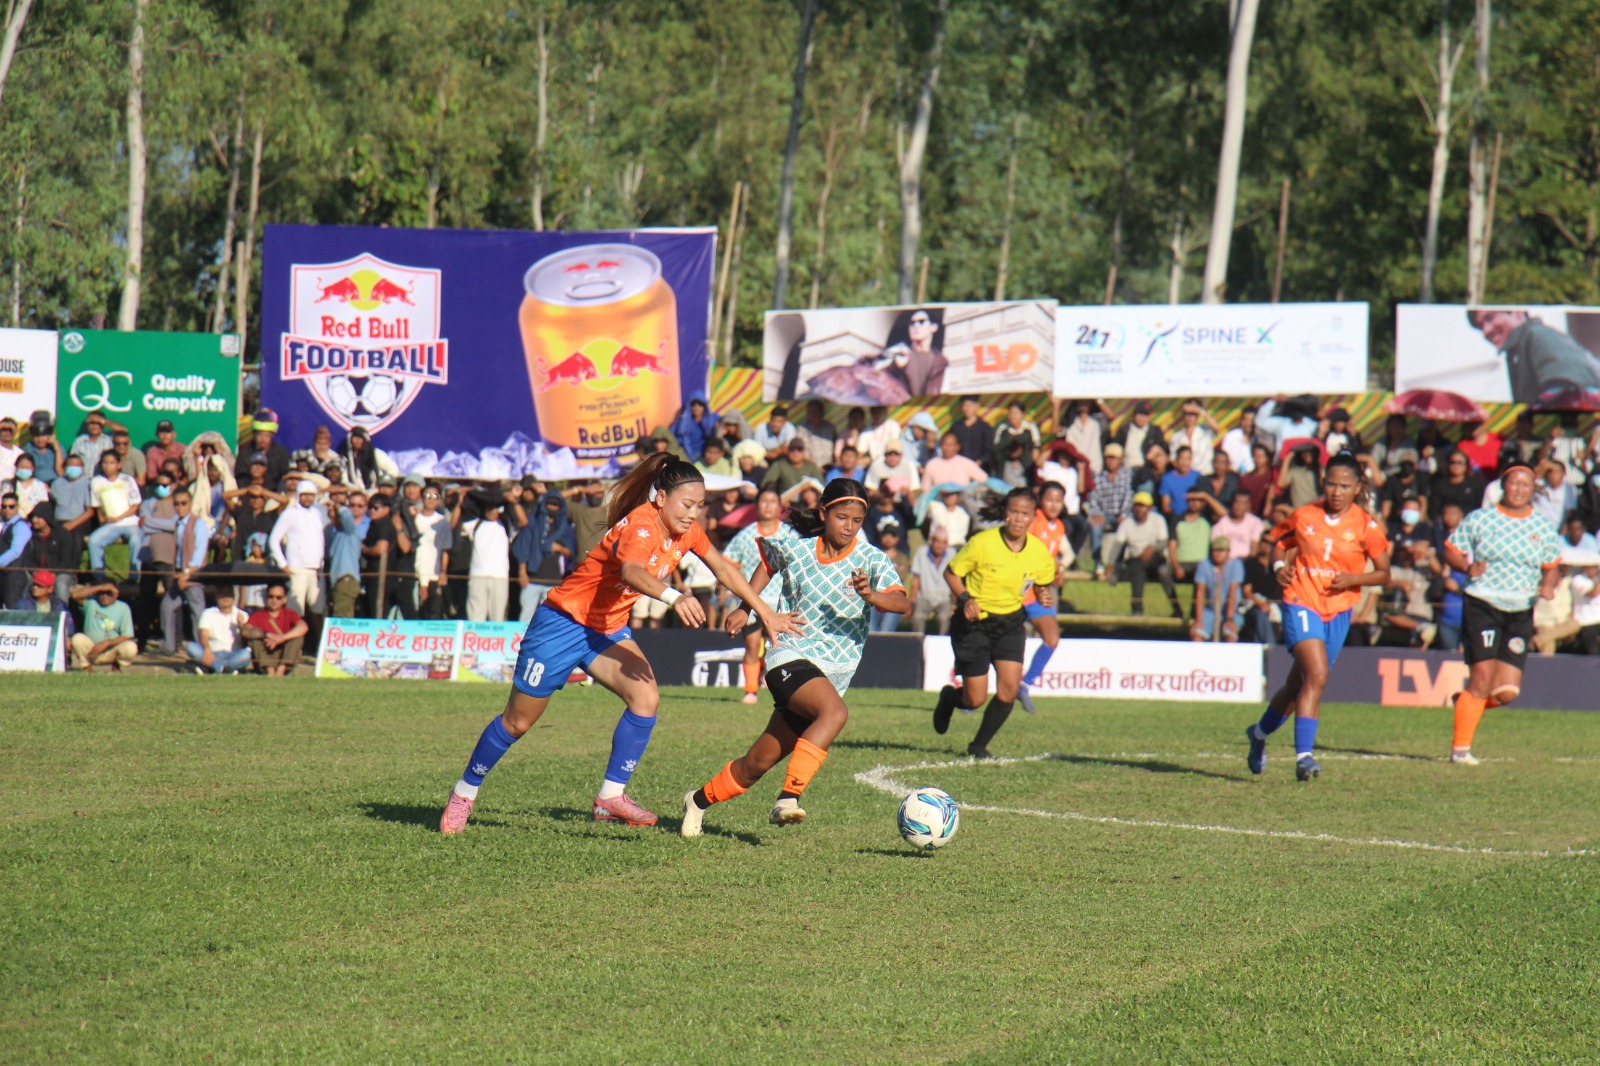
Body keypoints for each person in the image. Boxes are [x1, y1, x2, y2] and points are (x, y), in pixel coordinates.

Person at [437, 453, 801, 834]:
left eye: (699, 505)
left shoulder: (687, 531)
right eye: (687, 504)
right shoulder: (642, 526)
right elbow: (631, 571)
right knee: (517, 722)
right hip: (562, 624)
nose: (693, 513)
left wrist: (763, 611)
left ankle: (610, 797)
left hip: (606, 629)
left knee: (646, 698)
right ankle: (464, 792)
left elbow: (723, 568)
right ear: (661, 498)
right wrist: (675, 597)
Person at [682, 477, 907, 836]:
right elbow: (768, 563)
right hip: (789, 653)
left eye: (857, 520)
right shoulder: (799, 550)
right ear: (824, 513)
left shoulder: (871, 559)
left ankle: (696, 801)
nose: (849, 527)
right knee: (835, 714)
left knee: (756, 764)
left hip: (831, 673)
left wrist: (872, 596)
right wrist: (745, 608)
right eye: (842, 518)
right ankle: (788, 799)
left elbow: (902, 603)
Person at [1244, 454, 1391, 781]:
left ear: (1357, 488)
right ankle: (1304, 757)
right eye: (1331, 484)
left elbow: (1385, 574)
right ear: (1323, 483)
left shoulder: (1366, 526)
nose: (1337, 492)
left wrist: (1353, 579)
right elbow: (1279, 542)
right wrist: (1279, 566)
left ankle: (1258, 734)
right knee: (1318, 674)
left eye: (1344, 486)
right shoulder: (1306, 515)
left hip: (1338, 610)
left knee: (1297, 685)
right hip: (1301, 600)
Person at [1441, 464, 1563, 764]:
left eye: (1526, 484)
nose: (1519, 489)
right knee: (1482, 679)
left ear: (1532, 489)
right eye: (1514, 483)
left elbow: (1551, 566)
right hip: (1483, 604)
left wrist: (1548, 585)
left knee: (1507, 692)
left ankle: (1466, 703)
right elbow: (1451, 550)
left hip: (1520, 611)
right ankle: (1460, 750)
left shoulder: (1543, 526)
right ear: (1503, 486)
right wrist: (1467, 566)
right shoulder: (1481, 519)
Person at [931, 487, 1057, 758]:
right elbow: (951, 573)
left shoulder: (1038, 551)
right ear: (1005, 512)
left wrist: (1044, 594)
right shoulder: (982, 542)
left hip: (1010, 623)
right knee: (974, 699)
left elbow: (1043, 583)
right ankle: (950, 698)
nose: (1019, 519)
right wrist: (965, 598)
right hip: (975, 623)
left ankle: (978, 746)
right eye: (1014, 512)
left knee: (1009, 690)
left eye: (1025, 513)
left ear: (1033, 516)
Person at [720, 488, 796, 704]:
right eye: (764, 501)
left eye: (773, 501)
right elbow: (727, 564)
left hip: (781, 600)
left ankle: (775, 685)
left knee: (778, 647)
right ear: (756, 506)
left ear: (780, 507)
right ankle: (750, 690)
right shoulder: (746, 535)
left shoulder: (790, 535)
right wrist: (726, 591)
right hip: (751, 602)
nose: (768, 506)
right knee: (753, 644)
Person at [1016, 482, 1074, 714]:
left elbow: (1067, 554)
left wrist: (1059, 565)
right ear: (1040, 500)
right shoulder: (1033, 520)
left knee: (1052, 638)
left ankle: (1025, 684)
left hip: (1039, 593)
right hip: (1018, 590)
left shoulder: (1058, 526)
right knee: (1005, 641)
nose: (1054, 505)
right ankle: (972, 690)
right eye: (1049, 499)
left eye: (1058, 500)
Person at [1468, 308, 1600, 406]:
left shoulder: (1538, 335)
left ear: (1517, 312)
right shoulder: (1518, 352)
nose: (1486, 331)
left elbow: (1569, 392)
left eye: (1490, 318)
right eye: (1481, 326)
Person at [1102, 491, 1175, 616]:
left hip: (1155, 559)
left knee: (1139, 565)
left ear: (1150, 508)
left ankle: (1136, 607)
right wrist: (1110, 564)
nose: (1139, 509)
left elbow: (1163, 542)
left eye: (1143, 506)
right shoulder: (1127, 524)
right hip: (1135, 560)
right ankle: (1137, 609)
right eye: (1137, 506)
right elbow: (1117, 545)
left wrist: (1152, 548)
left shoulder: (1158, 520)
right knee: (1138, 570)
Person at [161, 487, 211, 655]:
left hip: (193, 575)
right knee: (167, 606)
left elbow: (199, 552)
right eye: (176, 504)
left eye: (184, 503)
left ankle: (201, 650)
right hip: (179, 573)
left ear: (190, 503)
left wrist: (188, 573)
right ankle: (169, 646)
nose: (180, 507)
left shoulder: (198, 524)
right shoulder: (178, 524)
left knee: (197, 613)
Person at [269, 482, 328, 619]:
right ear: (298, 496)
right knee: (295, 611)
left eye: (311, 495)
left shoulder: (317, 513)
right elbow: (274, 539)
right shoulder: (290, 513)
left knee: (318, 610)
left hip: (317, 570)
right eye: (304, 495)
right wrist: (283, 564)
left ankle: (316, 634)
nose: (308, 498)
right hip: (297, 569)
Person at [87, 450, 143, 579]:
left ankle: (134, 577)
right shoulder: (96, 482)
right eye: (105, 463)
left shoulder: (127, 479)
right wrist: (103, 520)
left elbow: (135, 506)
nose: (108, 466)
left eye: (111, 463)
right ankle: (99, 577)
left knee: (136, 540)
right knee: (94, 541)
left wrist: (118, 518)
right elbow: (98, 506)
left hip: (130, 522)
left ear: (118, 465)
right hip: (111, 525)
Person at [1084, 441, 1133, 571]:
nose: (1111, 461)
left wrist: (1124, 514)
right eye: (1108, 458)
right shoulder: (1098, 477)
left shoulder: (1127, 475)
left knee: (1127, 525)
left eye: (1114, 458)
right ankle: (1098, 562)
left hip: (1123, 513)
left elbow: (1129, 496)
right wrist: (1097, 514)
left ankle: (1121, 563)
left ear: (1120, 460)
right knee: (1095, 526)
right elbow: (1093, 499)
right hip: (1105, 514)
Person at [242, 580, 308, 676]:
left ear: (285, 600)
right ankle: (270, 670)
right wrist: (266, 635)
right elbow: (245, 631)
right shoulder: (258, 615)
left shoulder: (290, 613)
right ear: (266, 597)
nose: (274, 600)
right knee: (253, 638)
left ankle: (281, 669)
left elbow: (303, 627)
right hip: (265, 655)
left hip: (284, 655)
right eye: (271, 597)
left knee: (298, 637)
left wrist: (282, 638)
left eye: (278, 597)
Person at [69, 581, 138, 671]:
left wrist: (106, 643)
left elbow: (127, 635)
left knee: (131, 647)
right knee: (77, 638)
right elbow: (75, 596)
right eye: (102, 593)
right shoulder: (91, 602)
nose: (105, 596)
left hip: (112, 649)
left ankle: (117, 665)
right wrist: (100, 587)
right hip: (91, 650)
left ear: (116, 594)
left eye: (109, 593)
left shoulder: (123, 607)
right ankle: (87, 667)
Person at [185, 585, 252, 675]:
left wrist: (241, 626)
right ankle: (227, 669)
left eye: (228, 595)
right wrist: (207, 650)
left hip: (233, 654)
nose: (225, 598)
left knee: (246, 655)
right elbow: (203, 634)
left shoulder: (242, 615)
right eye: (222, 595)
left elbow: (246, 641)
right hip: (212, 653)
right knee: (191, 647)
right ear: (216, 596)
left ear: (233, 596)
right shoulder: (208, 613)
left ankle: (211, 667)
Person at [1192, 537, 1245, 642]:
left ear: (1228, 552)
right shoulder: (1204, 564)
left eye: (1222, 551)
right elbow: (1200, 592)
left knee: (1230, 634)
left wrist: (1229, 619)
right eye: (1215, 550)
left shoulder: (1236, 565)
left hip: (1232, 611)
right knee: (1196, 634)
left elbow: (1233, 592)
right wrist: (1199, 620)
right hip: (1210, 610)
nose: (1218, 554)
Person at [325, 490, 367, 619]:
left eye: (359, 505)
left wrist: (337, 504)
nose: (355, 508)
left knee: (342, 618)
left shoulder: (351, 530)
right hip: (337, 580)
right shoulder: (337, 532)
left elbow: (346, 516)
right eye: (352, 505)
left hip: (346, 579)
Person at [907, 525, 955, 635]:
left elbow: (954, 578)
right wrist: (912, 600)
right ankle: (918, 641)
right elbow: (916, 578)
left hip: (944, 598)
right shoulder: (921, 552)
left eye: (943, 542)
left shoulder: (952, 553)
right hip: (924, 596)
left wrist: (954, 602)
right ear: (931, 541)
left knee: (944, 618)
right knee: (918, 616)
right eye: (937, 541)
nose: (940, 546)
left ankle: (942, 641)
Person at [235, 408, 291, 488]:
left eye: (266, 436)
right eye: (259, 435)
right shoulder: (245, 453)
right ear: (254, 435)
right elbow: (240, 477)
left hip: (274, 493)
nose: (262, 439)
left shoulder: (281, 453)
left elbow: (285, 477)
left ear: (272, 436)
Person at [871, 525, 911, 632]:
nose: (888, 539)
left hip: (893, 597)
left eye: (892, 536)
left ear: (897, 538)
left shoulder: (902, 558)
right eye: (886, 535)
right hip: (875, 597)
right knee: (871, 628)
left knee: (886, 629)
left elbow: (900, 578)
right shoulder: (874, 555)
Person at [1212, 490, 1265, 561]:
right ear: (1232, 503)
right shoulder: (1221, 523)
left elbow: (1254, 549)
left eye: (1243, 503)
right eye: (1237, 502)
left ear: (1248, 505)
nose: (1239, 506)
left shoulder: (1256, 523)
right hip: (1224, 562)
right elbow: (1217, 549)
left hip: (1247, 561)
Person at [670, 392, 721, 462]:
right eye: (693, 404)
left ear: (704, 406)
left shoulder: (713, 419)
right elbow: (672, 436)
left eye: (700, 404)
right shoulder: (682, 421)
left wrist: (717, 429)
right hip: (687, 456)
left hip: (707, 457)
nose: (696, 407)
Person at [793, 400, 839, 473]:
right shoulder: (801, 429)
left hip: (829, 470)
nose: (815, 414)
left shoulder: (830, 428)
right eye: (812, 411)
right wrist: (815, 468)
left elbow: (837, 448)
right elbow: (799, 451)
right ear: (807, 413)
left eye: (818, 411)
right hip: (809, 470)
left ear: (822, 412)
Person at [950, 396, 991, 468]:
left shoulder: (985, 427)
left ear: (977, 407)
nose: (967, 408)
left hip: (979, 467)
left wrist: (979, 461)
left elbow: (988, 449)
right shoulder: (956, 427)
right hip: (959, 466)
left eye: (970, 405)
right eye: (965, 405)